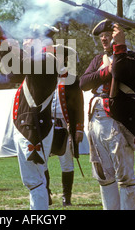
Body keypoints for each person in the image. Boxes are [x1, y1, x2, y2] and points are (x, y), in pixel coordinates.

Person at [0, 20, 73, 210]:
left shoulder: (47, 61)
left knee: (35, 181)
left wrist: (0, 39)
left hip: (33, 130)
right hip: (31, 128)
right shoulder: (41, 62)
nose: (25, 41)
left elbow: (16, 68)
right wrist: (2, 37)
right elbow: (13, 72)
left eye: (29, 39)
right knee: (35, 181)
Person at [80, 19, 135, 210]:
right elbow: (84, 83)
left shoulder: (132, 58)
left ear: (117, 36)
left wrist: (120, 49)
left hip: (118, 121)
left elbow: (119, 71)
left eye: (108, 35)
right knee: (104, 177)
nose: (104, 39)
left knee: (125, 177)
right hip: (96, 120)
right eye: (102, 36)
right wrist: (106, 70)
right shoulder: (98, 60)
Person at [47, 68, 84, 206]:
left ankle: (66, 197)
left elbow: (79, 105)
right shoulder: (44, 76)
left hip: (65, 125)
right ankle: (45, 193)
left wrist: (79, 128)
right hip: (47, 125)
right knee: (42, 161)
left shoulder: (72, 79)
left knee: (66, 162)